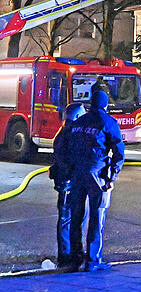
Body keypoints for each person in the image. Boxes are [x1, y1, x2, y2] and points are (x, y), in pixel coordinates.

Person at [64, 91, 125, 271]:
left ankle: (75, 258)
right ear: (105, 105)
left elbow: (67, 147)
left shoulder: (79, 121)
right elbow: (119, 152)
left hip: (77, 173)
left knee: (76, 215)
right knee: (97, 215)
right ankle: (92, 260)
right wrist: (111, 176)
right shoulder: (108, 122)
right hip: (96, 174)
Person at [50, 102, 86, 269]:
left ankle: (68, 253)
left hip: (64, 182)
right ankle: (66, 255)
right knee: (68, 219)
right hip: (68, 183)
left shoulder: (63, 132)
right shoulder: (71, 134)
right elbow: (68, 160)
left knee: (68, 218)